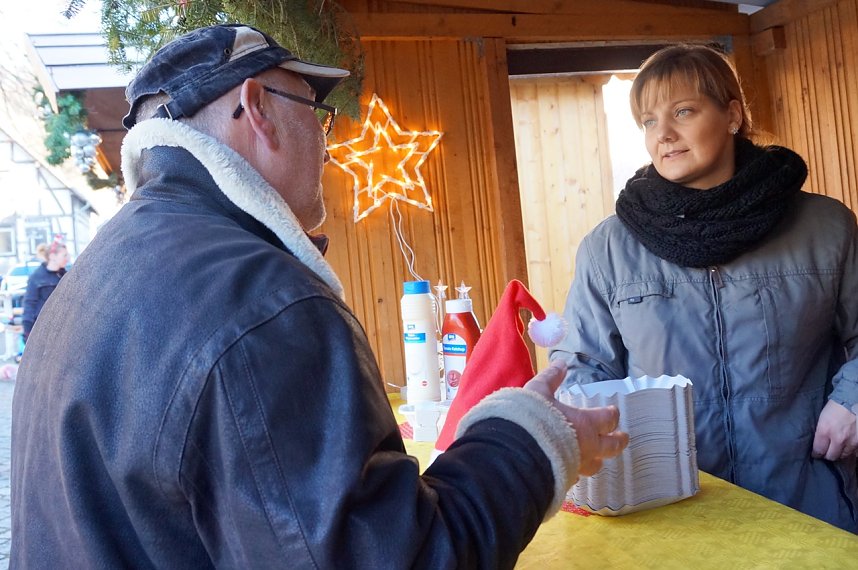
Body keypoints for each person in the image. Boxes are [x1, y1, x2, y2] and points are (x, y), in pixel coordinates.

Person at [11, 24, 628, 567]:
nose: (327, 139)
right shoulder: (262, 300)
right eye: (313, 108)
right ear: (256, 107)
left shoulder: (97, 270)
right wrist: (534, 435)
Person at [550, 43, 858, 533]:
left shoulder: (826, 227)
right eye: (649, 121)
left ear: (732, 115)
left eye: (683, 111)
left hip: (806, 504)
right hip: (665, 517)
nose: (663, 134)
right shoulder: (608, 247)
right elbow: (583, 368)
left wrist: (851, 403)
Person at [21, 239, 68, 342]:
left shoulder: (65, 276)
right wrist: (27, 332)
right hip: (42, 329)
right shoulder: (36, 277)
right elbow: (29, 303)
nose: (67, 259)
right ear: (52, 256)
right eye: (64, 255)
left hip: (62, 327)